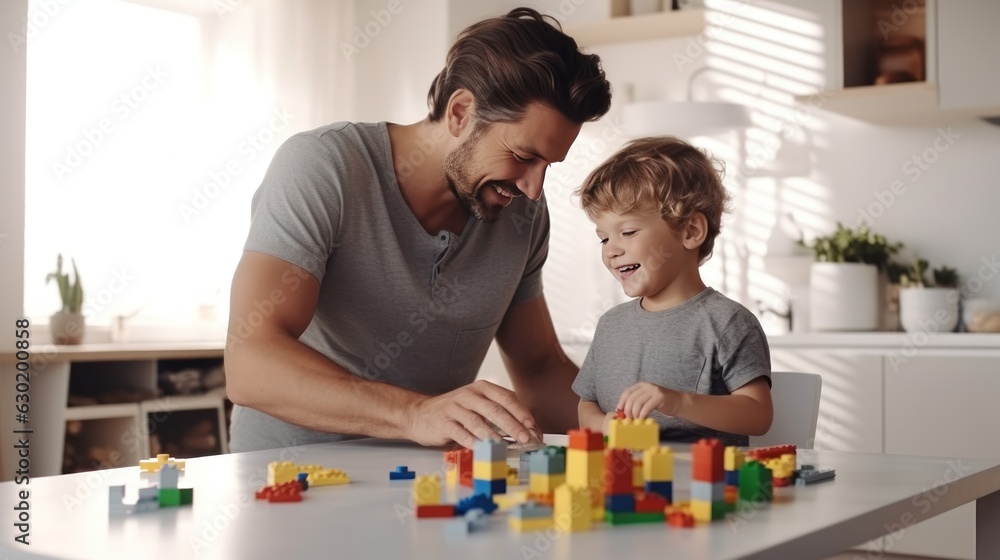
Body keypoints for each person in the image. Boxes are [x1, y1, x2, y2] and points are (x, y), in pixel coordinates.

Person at [225, 8, 612, 453]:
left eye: (549, 165)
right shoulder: (324, 167)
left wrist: (637, 430)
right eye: (524, 157)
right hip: (287, 479)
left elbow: (540, 370)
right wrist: (414, 413)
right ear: (461, 113)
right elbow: (249, 361)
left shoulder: (522, 215)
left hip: (423, 486)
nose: (533, 187)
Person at [571, 136, 773, 447]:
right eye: (604, 238)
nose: (611, 250)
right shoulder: (610, 325)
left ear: (691, 231)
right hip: (623, 483)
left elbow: (758, 415)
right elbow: (588, 405)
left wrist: (678, 402)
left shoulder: (727, 322)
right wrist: (602, 424)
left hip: (701, 486)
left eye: (627, 232)